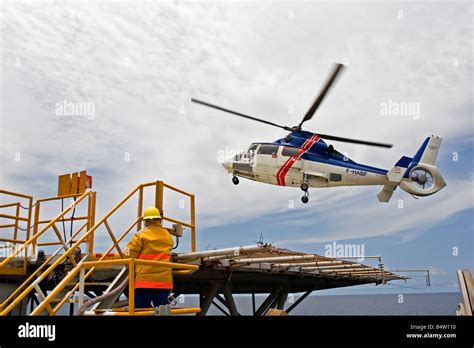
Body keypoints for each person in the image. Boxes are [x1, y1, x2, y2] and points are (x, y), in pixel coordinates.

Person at [125, 206, 173, 309]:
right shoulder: (168, 235)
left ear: (145, 221)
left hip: (144, 281)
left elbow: (129, 254)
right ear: (159, 219)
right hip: (163, 282)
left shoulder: (140, 235)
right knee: (162, 311)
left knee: (141, 311)